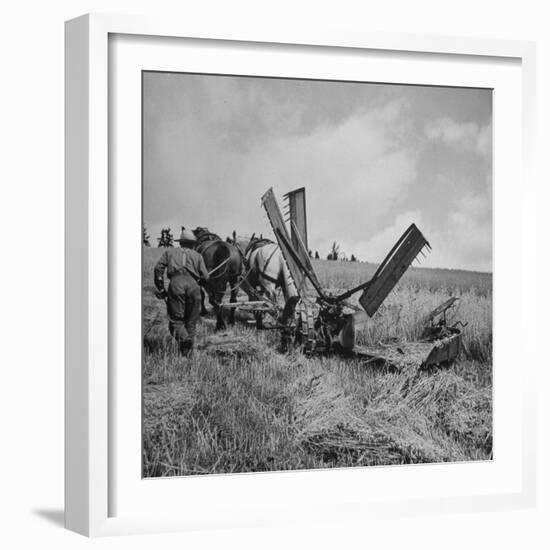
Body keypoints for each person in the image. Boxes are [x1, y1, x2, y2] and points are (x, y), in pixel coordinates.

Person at [153, 227, 210, 355]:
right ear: (192, 243)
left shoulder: (169, 252)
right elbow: (206, 277)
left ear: (180, 242)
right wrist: (198, 282)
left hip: (176, 284)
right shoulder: (198, 256)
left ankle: (185, 340)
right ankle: (188, 353)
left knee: (176, 321)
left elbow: (158, 269)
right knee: (191, 321)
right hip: (193, 286)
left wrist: (161, 288)